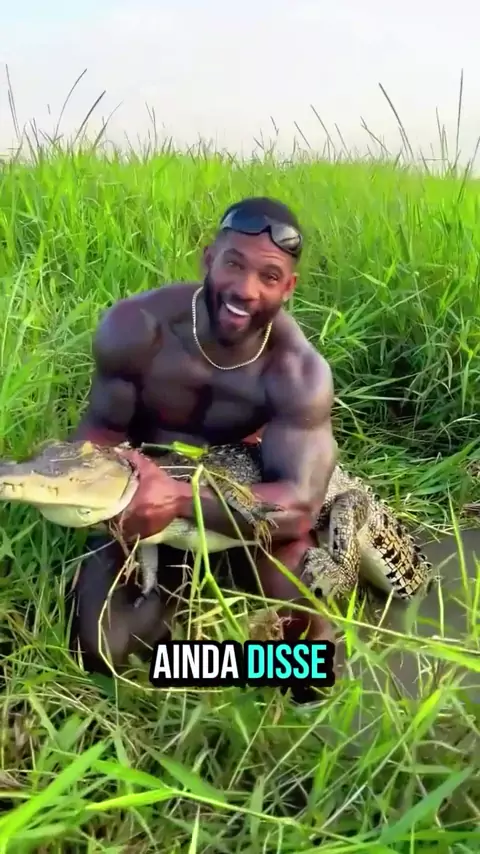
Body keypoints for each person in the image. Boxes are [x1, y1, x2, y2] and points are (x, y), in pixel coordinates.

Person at [67, 196, 338, 675]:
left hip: (241, 496)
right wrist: (105, 493)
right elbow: (101, 433)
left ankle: (197, 664)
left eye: (269, 276)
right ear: (209, 259)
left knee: (307, 654)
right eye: (234, 264)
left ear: (288, 287)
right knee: (100, 649)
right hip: (143, 482)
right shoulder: (136, 328)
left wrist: (178, 501)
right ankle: (178, 604)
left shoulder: (298, 372)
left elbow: (298, 506)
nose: (246, 290)